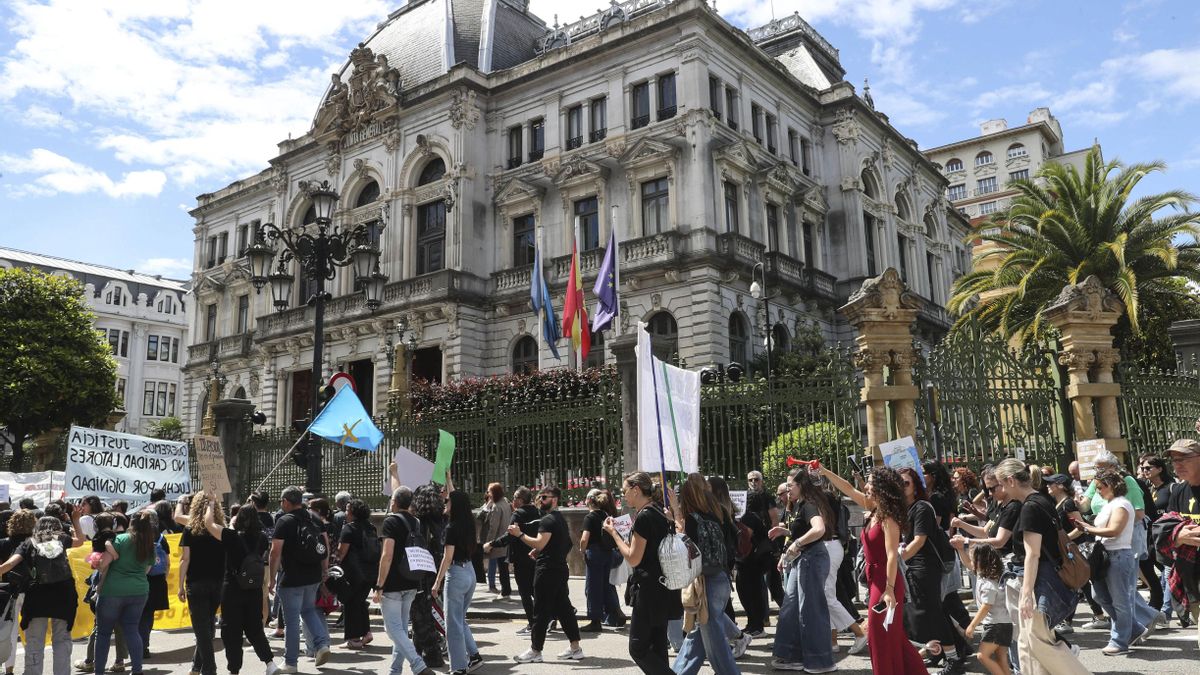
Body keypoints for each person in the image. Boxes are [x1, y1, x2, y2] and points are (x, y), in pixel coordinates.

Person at [820, 464, 928, 675]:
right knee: (894, 638)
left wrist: (888, 589)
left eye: (870, 482)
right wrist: (825, 471)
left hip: (885, 583)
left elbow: (891, 555)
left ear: (882, 487)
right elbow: (849, 489)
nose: (866, 485)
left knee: (879, 638)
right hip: (875, 581)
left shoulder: (888, 517)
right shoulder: (875, 509)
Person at [993, 458, 1087, 674]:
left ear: (1011, 480)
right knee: (1027, 643)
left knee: (1037, 641)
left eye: (1002, 484)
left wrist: (1026, 594)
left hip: (1038, 579)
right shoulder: (1042, 500)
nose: (1002, 490)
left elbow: (1032, 554)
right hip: (1044, 576)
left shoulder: (1030, 507)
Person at [604, 472, 681, 675]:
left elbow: (633, 558)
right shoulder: (659, 512)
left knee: (637, 647)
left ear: (636, 489)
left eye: (625, 491)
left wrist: (614, 533)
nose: (623, 495)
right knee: (657, 645)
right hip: (664, 586)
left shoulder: (645, 516)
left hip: (649, 590)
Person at [1071, 468, 1150, 654]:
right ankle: (1134, 628)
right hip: (1105, 556)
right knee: (1099, 596)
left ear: (1112, 486)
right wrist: (1086, 527)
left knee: (1121, 601)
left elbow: (1114, 530)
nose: (1097, 491)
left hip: (1119, 555)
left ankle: (1120, 641)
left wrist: (1087, 529)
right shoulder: (1110, 503)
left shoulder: (1121, 504)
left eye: (1100, 487)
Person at [895, 467, 965, 675]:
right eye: (899, 483)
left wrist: (897, 560)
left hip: (925, 565)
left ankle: (953, 658)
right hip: (912, 565)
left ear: (916, 485)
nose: (902, 486)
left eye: (906, 482)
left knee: (932, 612)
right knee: (925, 612)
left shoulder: (922, 507)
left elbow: (919, 540)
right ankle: (947, 650)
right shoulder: (902, 508)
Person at [0, 509, 85, 675]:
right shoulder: (62, 538)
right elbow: (81, 541)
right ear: (57, 527)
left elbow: (8, 566)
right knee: (61, 640)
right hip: (64, 594)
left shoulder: (28, 542)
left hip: (37, 596)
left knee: (34, 642)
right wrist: (76, 519)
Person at [766, 470, 835, 673]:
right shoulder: (798, 506)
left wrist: (796, 543)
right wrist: (786, 534)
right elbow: (804, 531)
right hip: (802, 559)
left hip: (812, 559)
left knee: (810, 610)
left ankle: (820, 661)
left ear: (802, 485)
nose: (788, 489)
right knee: (790, 607)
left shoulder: (809, 505)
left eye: (791, 485)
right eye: (786, 486)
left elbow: (818, 530)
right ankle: (789, 655)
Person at [200, 499, 279, 675]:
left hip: (233, 589)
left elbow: (208, 523)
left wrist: (211, 506)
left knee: (231, 631)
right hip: (254, 589)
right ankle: (269, 663)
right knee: (255, 629)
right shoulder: (262, 539)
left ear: (239, 518)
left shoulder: (231, 536)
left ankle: (234, 670)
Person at [512, 486, 584, 663]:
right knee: (564, 609)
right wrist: (545, 551)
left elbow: (539, 543)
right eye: (539, 497)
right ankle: (575, 648)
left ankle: (535, 650)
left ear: (555, 499)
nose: (540, 500)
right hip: (559, 569)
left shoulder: (547, 520)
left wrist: (519, 534)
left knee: (541, 611)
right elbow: (566, 543)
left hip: (547, 571)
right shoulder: (559, 519)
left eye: (544, 497)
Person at [373, 486, 436, 675]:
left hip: (393, 582)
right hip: (411, 580)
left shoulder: (391, 522)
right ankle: (395, 670)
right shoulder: (415, 522)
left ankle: (418, 665)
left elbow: (387, 555)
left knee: (393, 630)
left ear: (395, 502)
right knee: (400, 629)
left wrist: (379, 585)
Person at [268, 486, 332, 672]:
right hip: (313, 576)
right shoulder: (314, 518)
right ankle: (322, 644)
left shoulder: (284, 521)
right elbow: (324, 547)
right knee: (309, 610)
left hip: (292, 578)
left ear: (286, 501)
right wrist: (324, 571)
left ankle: (291, 662)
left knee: (291, 621)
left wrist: (272, 578)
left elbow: (275, 552)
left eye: (282, 501)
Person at [94, 510, 156, 675]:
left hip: (112, 591)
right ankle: (137, 670)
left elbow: (102, 565)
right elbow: (146, 571)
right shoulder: (149, 544)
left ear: (131, 523)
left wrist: (95, 562)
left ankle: (98, 671)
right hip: (139, 591)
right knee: (132, 629)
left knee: (103, 632)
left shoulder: (119, 539)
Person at [814, 475, 868, 656]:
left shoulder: (824, 499)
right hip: (830, 546)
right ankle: (833, 641)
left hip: (829, 546)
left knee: (828, 596)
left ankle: (859, 632)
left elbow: (820, 527)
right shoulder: (827, 498)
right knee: (826, 595)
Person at [432, 489, 483, 675]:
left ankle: (459, 668)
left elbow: (447, 558)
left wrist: (437, 583)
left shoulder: (451, 528)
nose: (444, 504)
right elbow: (457, 495)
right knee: (459, 619)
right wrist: (448, 477)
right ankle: (474, 656)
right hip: (470, 572)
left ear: (455, 506)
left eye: (447, 502)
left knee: (452, 625)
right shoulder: (468, 524)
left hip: (456, 574)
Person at [179, 491, 226, 675]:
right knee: (207, 627)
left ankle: (209, 669)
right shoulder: (221, 528)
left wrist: (180, 585)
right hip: (217, 583)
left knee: (202, 629)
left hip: (197, 583)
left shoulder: (190, 529)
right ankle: (197, 667)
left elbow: (185, 559)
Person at [483, 486, 539, 634]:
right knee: (535, 590)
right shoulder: (537, 512)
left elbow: (509, 536)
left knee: (525, 592)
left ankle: (532, 623)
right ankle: (549, 617)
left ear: (520, 500)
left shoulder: (518, 515)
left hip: (521, 557)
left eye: (514, 497)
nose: (512, 500)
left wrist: (491, 544)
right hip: (535, 554)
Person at [1164, 438, 1200, 645]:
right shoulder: (1178, 491)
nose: (1177, 464)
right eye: (1174, 460)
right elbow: (1165, 527)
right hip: (1190, 576)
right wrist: (1178, 536)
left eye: (1184, 458)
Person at [1140, 453, 1180, 625]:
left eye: (1148, 468)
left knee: (1167, 573)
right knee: (1166, 575)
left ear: (1160, 469)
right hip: (1154, 538)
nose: (1144, 471)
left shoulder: (1172, 487)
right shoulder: (1150, 490)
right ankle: (1179, 611)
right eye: (1142, 468)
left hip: (1169, 537)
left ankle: (1164, 613)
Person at [963, 544, 1012, 675]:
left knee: (981, 655)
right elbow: (967, 563)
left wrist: (972, 625)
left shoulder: (988, 584)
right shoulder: (986, 577)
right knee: (1001, 658)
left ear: (981, 561)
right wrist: (959, 550)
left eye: (973, 559)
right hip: (1004, 624)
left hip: (996, 626)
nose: (971, 562)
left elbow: (986, 606)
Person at [334, 499, 376, 649]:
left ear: (352, 512)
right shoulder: (371, 527)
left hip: (353, 573)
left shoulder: (349, 529)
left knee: (351, 604)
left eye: (347, 510)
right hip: (370, 572)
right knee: (360, 602)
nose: (345, 513)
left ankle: (354, 639)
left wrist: (334, 563)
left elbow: (341, 553)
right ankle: (366, 633)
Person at [579, 488, 622, 632]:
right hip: (607, 553)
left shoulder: (589, 517)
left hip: (594, 553)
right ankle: (615, 613)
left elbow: (585, 538)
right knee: (605, 585)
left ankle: (595, 620)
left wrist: (582, 549)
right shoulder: (605, 515)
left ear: (589, 501)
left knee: (592, 588)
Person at [0, 509, 35, 675]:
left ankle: (9, 669)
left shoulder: (4, 543)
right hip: (31, 590)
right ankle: (31, 668)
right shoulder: (36, 542)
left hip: (8, 591)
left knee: (9, 632)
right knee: (31, 632)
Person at [734, 491, 771, 637]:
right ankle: (752, 624)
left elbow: (744, 537)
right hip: (745, 562)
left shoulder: (749, 517)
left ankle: (757, 626)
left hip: (752, 562)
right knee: (745, 594)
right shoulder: (746, 516)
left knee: (752, 594)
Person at [480, 483, 512, 597]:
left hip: (498, 541)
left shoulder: (496, 506)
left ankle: (505, 592)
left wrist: (489, 543)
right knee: (504, 568)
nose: (488, 493)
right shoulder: (505, 503)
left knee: (502, 569)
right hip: (506, 539)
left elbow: (493, 528)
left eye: (489, 491)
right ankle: (506, 590)